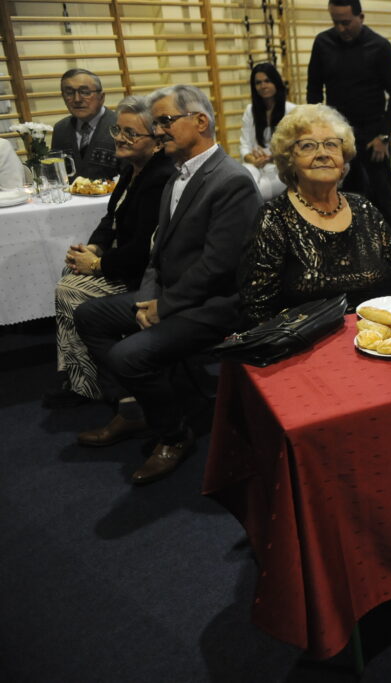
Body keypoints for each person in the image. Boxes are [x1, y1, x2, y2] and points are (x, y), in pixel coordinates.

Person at [74, 85, 260, 485]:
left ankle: (174, 435)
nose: (157, 131)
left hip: (217, 304)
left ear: (201, 122)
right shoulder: (178, 173)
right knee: (88, 315)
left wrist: (163, 307)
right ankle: (142, 409)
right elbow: (159, 253)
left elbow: (218, 266)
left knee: (128, 357)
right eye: (155, 123)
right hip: (174, 297)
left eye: (165, 121)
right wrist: (147, 300)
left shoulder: (232, 180)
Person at [44, 96, 176, 409]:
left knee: (69, 290)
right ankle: (83, 378)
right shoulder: (133, 169)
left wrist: (99, 263)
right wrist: (91, 248)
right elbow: (110, 219)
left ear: (156, 144)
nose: (119, 137)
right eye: (118, 129)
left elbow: (145, 251)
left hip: (145, 277)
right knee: (69, 275)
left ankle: (101, 385)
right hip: (125, 263)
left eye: (131, 133)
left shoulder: (159, 178)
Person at [240, 104, 391, 323]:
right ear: (289, 161)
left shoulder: (364, 209)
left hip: (376, 341)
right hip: (308, 349)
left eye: (331, 145)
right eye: (307, 146)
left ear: (343, 159)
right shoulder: (274, 219)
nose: (322, 153)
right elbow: (257, 310)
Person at [307, 0, 391, 243]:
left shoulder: (380, 46)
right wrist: (319, 133)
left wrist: (384, 136)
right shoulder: (322, 43)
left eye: (346, 22)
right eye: (335, 22)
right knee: (338, 201)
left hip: (373, 138)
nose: (341, 28)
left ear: (361, 16)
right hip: (335, 138)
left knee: (386, 205)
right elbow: (314, 94)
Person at [241, 62, 297, 202]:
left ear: (276, 82)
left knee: (259, 194)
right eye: (258, 82)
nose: (263, 86)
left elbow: (295, 147)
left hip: (280, 166)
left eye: (267, 81)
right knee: (243, 186)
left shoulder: (291, 110)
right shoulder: (250, 110)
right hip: (255, 164)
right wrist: (252, 159)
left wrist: (271, 158)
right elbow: (244, 145)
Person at [50, 68, 119, 180]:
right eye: (69, 93)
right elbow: (56, 175)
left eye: (85, 92)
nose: (77, 99)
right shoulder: (60, 129)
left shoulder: (120, 125)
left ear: (101, 97)